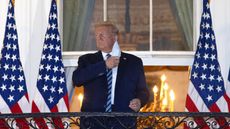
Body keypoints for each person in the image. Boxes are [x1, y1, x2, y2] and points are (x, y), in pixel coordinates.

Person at [72, 22, 149, 129]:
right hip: (93, 121)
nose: (98, 38)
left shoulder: (134, 62)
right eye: (96, 35)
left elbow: (143, 91)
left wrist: (139, 101)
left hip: (124, 121)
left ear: (115, 37)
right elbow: (77, 79)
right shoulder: (87, 60)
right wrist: (104, 65)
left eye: (102, 34)